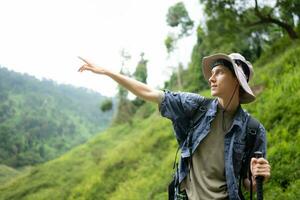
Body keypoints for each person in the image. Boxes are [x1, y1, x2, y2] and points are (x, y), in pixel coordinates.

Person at [78, 53, 271, 200]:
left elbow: (248, 184)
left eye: (219, 73)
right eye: (211, 74)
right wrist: (106, 71)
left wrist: (256, 179)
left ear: (237, 80)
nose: (211, 78)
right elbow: (148, 92)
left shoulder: (253, 130)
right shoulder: (197, 107)